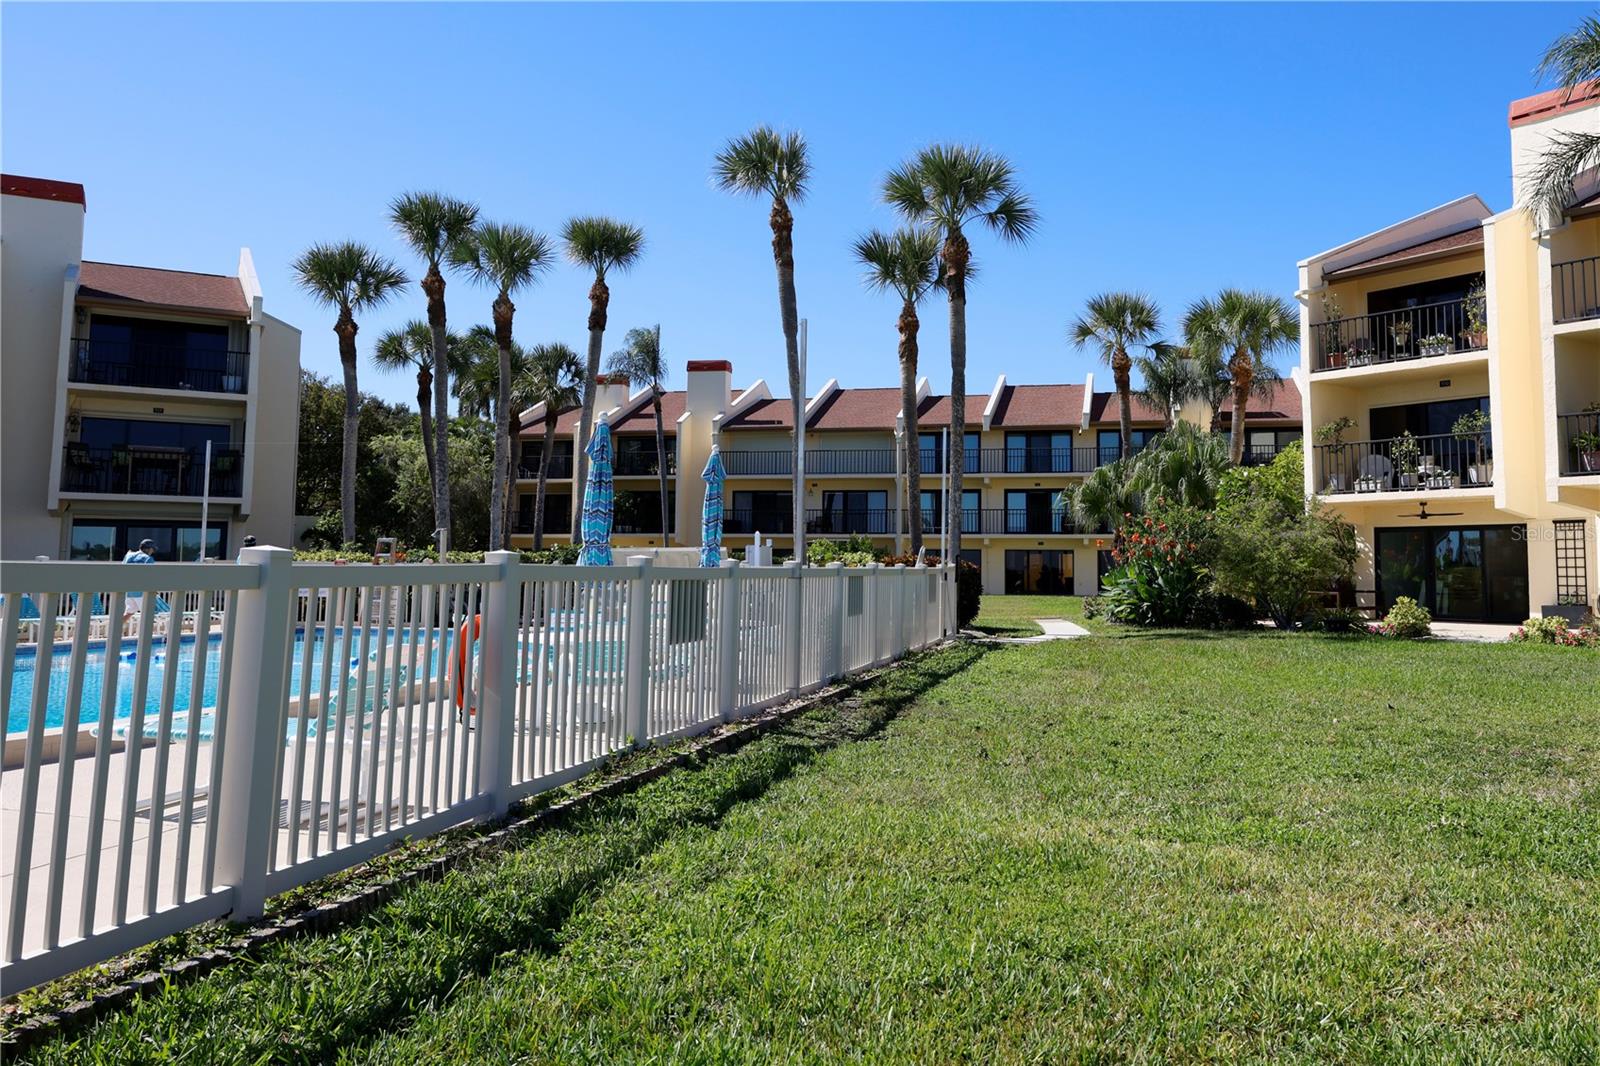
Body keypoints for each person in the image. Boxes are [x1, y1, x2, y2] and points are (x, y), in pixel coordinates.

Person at [123, 538, 157, 617]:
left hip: (129, 591)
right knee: (148, 615)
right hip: (141, 592)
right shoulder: (148, 559)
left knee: (129, 613)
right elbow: (150, 576)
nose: (152, 552)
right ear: (150, 549)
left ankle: (111, 627)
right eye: (153, 550)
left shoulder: (129, 555)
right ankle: (144, 629)